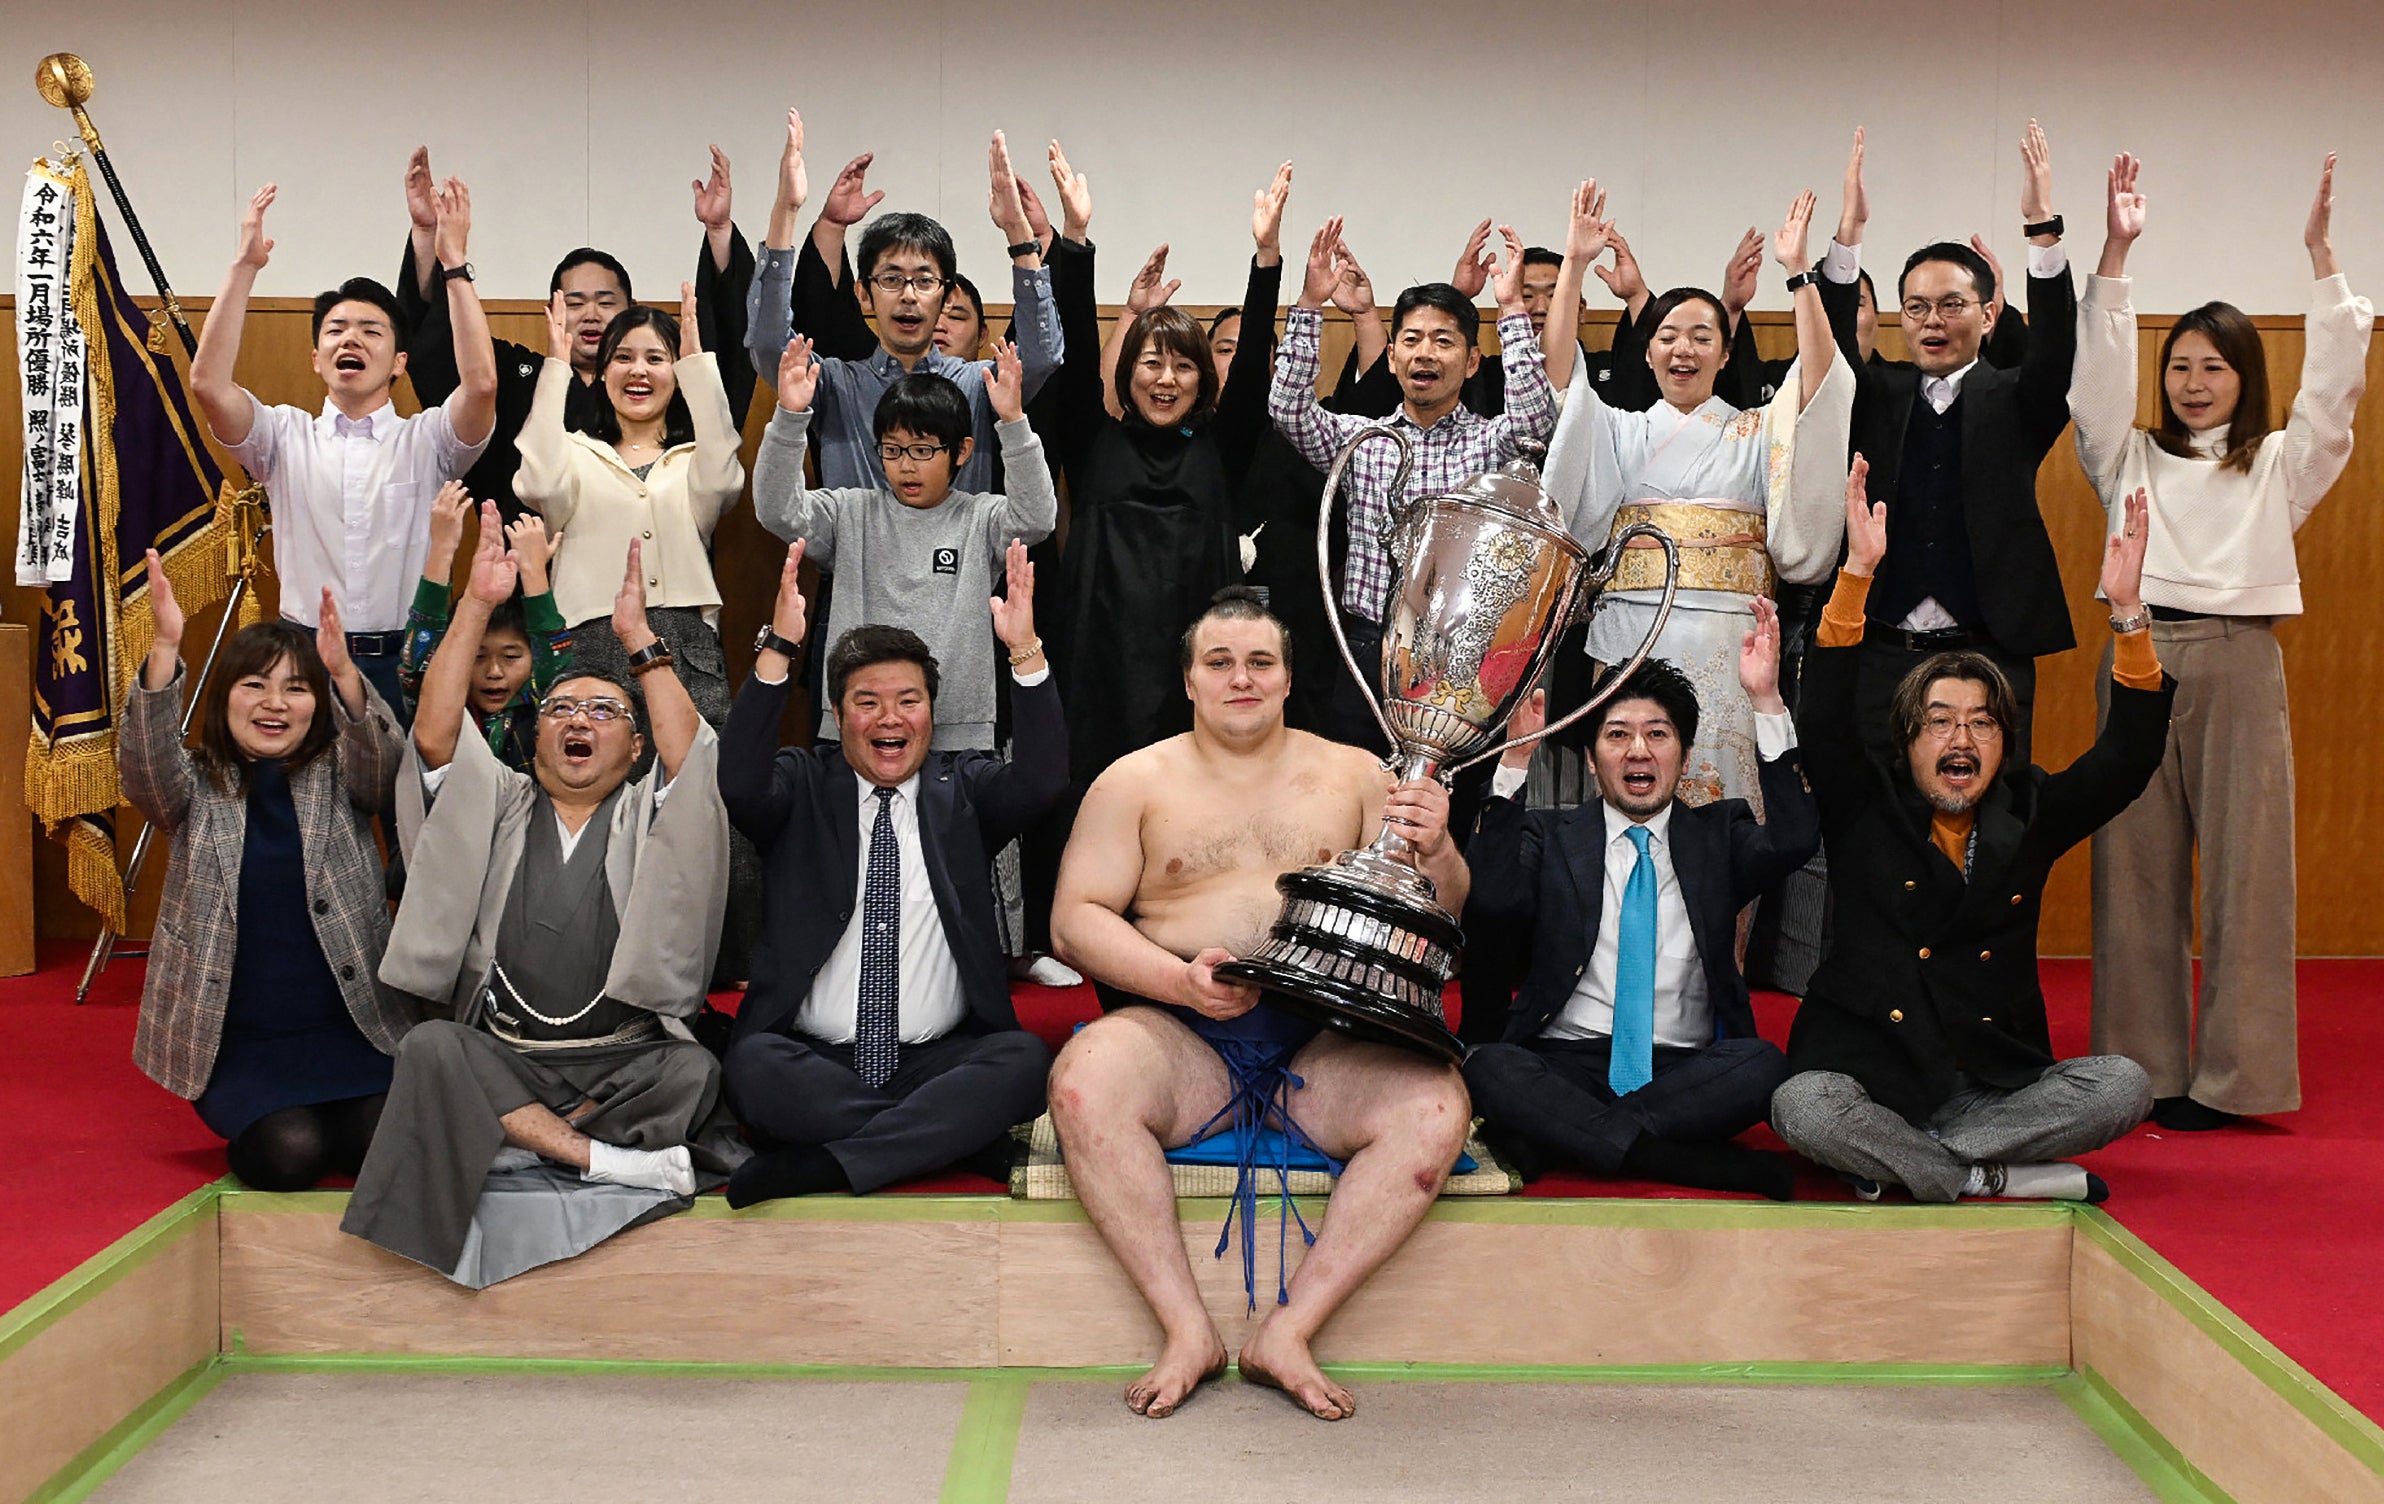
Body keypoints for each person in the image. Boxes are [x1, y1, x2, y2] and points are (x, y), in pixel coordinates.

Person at [1047, 589, 1473, 1423]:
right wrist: (1178, 982)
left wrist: (1442, 846)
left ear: (1287, 678)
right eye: (1220, 663)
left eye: (1259, 662)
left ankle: (1290, 1330)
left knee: (1434, 1108)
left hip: (1327, 1044)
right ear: (1189, 681)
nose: (1240, 678)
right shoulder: (1133, 781)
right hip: (1180, 1036)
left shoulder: (1357, 773)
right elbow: (1074, 921)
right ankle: (1186, 1329)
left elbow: (1444, 911)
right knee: (1083, 1081)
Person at [343, 526, 742, 1285]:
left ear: (635, 749)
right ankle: (600, 1160)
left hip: (618, 1061)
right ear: (535, 739)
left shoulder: (643, 815)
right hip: (508, 1054)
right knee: (432, 1048)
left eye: (604, 712)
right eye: (560, 708)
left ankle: (513, 1141)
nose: (578, 720)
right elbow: (434, 734)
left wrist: (640, 641)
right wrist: (475, 603)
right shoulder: (497, 800)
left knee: (692, 1070)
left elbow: (692, 758)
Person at [1768, 463, 2170, 1203]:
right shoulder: (1865, 802)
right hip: (1873, 1080)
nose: (1962, 737)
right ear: (1907, 742)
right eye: (1941, 721)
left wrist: (2127, 613)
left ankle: (1912, 1168)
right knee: (1803, 1107)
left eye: (1982, 722)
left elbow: (2126, 759)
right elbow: (1823, 718)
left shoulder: (2029, 812)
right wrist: (1857, 574)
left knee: (2122, 1085)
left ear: (2003, 742)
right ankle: (1988, 1176)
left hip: (1988, 1087)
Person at [2073, 153, 2369, 1130]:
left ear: (2245, 376)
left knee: (2249, 873)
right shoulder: (2127, 453)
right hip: (2136, 655)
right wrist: (2115, 253)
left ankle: (2238, 1082)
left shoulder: (2278, 464)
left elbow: (2332, 399)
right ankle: (2138, 1072)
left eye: (2214, 366)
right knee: (2130, 869)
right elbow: (2093, 388)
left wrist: (2320, 258)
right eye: (2180, 366)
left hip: (2240, 659)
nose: (2193, 383)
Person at [718, 541, 1064, 1202]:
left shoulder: (964, 789)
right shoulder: (802, 782)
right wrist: (779, 649)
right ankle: (951, 1139)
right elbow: (736, 782)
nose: (889, 719)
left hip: (939, 1059)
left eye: (908, 700)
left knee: (1022, 1063)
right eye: (867, 702)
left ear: (931, 713)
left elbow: (1043, 781)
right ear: (838, 716)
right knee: (754, 1068)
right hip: (814, 1059)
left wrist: (1024, 649)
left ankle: (824, 1165)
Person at [1464, 603, 1819, 1198]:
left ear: (1684, 754)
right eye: (1617, 735)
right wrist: (1515, 760)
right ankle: (1684, 1162)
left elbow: (1795, 839)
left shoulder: (1718, 835)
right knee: (1490, 1067)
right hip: (1565, 1061)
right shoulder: (1551, 836)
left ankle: (1569, 1138)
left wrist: (1766, 702)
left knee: (1761, 1065)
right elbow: (1493, 898)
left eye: (1658, 734)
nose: (1638, 750)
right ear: (1590, 758)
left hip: (1684, 1070)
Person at [1542, 181, 1852, 814]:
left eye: (1702, 336)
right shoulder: (1618, 429)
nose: (1683, 348)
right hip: (1630, 634)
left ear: (1726, 352)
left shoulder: (1757, 430)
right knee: (1631, 789)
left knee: (1723, 803)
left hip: (1728, 640)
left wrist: (1799, 275)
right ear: (1647, 352)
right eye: (1668, 335)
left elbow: (1820, 386)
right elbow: (1559, 381)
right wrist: (1572, 266)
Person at [120, 553, 413, 1189]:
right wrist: (165, 648)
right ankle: (285, 1118)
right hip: (240, 1040)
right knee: (291, 1154)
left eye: (296, 688)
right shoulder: (196, 785)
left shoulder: (338, 774)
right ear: (225, 696)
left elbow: (385, 770)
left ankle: (340, 1114)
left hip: (350, 1026)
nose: (274, 703)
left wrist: (345, 674)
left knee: (384, 1150)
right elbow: (144, 769)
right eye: (254, 684)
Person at [1815, 121, 2077, 766]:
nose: (1932, 321)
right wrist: (1849, 233)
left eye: (1952, 305)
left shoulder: (2017, 399)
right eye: (1916, 307)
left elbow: (2055, 348)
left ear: (1987, 316)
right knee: (1873, 805)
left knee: (1994, 807)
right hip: (1882, 651)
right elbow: (1834, 345)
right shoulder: (1874, 394)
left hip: (1989, 651)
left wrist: (2041, 226)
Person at [190, 181, 496, 724]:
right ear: (316, 357)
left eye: (370, 331)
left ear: (399, 362)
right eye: (336, 330)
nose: (350, 339)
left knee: (411, 783)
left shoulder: (428, 440)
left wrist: (454, 264)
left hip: (408, 658)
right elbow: (209, 385)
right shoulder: (283, 436)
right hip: (303, 661)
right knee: (304, 783)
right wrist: (245, 266)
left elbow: (481, 386)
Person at [1043, 156, 1291, 786]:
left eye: (1183, 366)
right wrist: (1074, 239)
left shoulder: (1220, 447)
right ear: (1128, 373)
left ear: (1202, 379)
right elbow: (1075, 352)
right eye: (1151, 363)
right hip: (1096, 662)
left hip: (1194, 667)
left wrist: (1266, 258)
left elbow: (1252, 366)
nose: (1166, 379)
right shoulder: (1094, 441)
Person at [1268, 216, 1558, 752]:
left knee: (1449, 792)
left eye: (1443, 341)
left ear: (1471, 362)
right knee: (1358, 782)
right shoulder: (1360, 440)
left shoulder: (1491, 442)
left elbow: (1536, 423)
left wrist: (1513, 310)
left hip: (1459, 656)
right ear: (1393, 357)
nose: (1425, 352)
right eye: (1412, 340)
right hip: (1365, 647)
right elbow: (1288, 410)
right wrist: (1310, 304)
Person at [395, 144, 758, 521]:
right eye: (575, 302)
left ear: (631, 312)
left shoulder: (661, 380)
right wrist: (428, 235)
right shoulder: (517, 378)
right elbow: (443, 352)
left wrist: (719, 231)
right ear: (552, 311)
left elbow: (726, 353)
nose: (591, 315)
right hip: (532, 556)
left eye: (606, 302)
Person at [753, 338, 1055, 752]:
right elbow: (778, 510)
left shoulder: (981, 517)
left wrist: (1014, 421)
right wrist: (789, 417)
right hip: (857, 727)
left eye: (923, 450)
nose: (906, 465)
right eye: (892, 450)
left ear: (961, 451)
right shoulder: (850, 512)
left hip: (957, 730)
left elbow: (1036, 518)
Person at [746, 110, 1062, 492]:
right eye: (892, 279)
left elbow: (1042, 356)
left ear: (946, 296)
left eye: (925, 281)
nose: (909, 295)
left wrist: (1018, 233)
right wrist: (785, 210)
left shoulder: (979, 386)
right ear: (864, 294)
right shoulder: (835, 385)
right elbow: (768, 345)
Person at [514, 285, 746, 726]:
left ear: (676, 374)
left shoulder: (695, 460)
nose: (638, 370)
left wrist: (696, 365)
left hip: (683, 641)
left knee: (693, 766)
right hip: (589, 640)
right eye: (622, 357)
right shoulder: (573, 452)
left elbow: (724, 479)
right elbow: (538, 482)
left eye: (656, 358)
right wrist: (556, 368)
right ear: (603, 372)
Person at [397, 483, 572, 771]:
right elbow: (417, 663)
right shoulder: (442, 708)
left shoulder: (545, 706)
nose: (494, 672)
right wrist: (441, 550)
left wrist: (533, 573)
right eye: (477, 657)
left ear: (533, 657)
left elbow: (557, 666)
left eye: (511, 656)